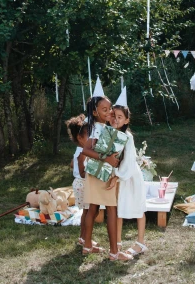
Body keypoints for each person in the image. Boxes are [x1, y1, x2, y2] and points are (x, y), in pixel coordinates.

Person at [80, 78, 130, 261]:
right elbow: (86, 150)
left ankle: (87, 246)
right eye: (105, 110)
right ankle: (114, 252)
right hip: (100, 173)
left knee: (93, 208)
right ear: (95, 112)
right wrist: (107, 158)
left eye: (110, 109)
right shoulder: (97, 128)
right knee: (111, 209)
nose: (109, 112)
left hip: (96, 173)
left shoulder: (101, 127)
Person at [109, 87, 149, 258]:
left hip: (129, 177)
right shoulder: (110, 134)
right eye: (114, 116)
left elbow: (129, 160)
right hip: (118, 178)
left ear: (126, 120)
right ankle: (116, 244)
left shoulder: (128, 137)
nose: (116, 120)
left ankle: (140, 243)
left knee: (138, 208)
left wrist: (118, 175)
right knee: (118, 210)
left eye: (120, 117)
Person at [65, 114, 92, 250]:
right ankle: (85, 238)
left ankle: (83, 237)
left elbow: (72, 165)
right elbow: (82, 172)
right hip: (83, 183)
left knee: (86, 212)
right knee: (87, 213)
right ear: (80, 138)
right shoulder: (83, 152)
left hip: (79, 182)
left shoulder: (79, 149)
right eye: (89, 135)